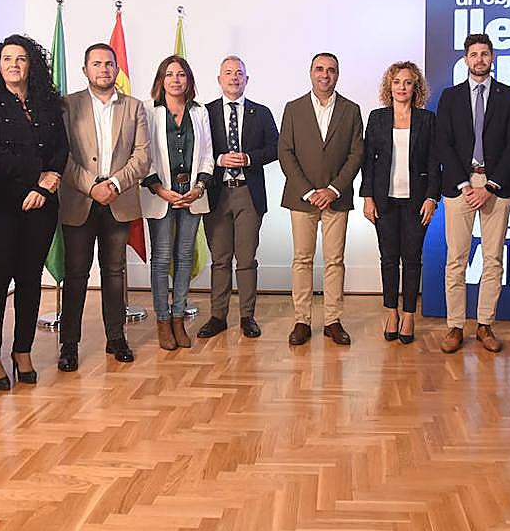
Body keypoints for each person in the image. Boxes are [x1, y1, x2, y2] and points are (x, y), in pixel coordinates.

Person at [0, 34, 68, 390]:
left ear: (32, 65)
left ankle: (22, 350)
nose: (14, 64)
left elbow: (61, 148)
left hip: (42, 204)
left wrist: (48, 183)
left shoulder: (48, 103)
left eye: (21, 58)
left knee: (29, 279)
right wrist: (32, 182)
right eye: (7, 58)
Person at [58, 43, 150, 370]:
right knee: (76, 274)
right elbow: (61, 157)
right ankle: (69, 345)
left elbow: (142, 156)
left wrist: (113, 184)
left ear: (116, 69)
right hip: (79, 201)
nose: (104, 69)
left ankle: (116, 338)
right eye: (96, 64)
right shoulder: (67, 106)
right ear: (85, 70)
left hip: (118, 200)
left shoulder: (135, 107)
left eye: (109, 64)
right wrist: (90, 186)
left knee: (114, 273)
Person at [435, 33, 510, 354]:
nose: (479, 59)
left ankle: (485, 324)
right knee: (456, 259)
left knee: (493, 259)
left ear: (492, 57)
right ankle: (455, 326)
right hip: (459, 187)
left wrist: (489, 185)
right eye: (474, 54)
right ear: (466, 59)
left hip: (497, 185)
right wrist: (465, 184)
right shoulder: (450, 96)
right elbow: (443, 142)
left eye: (485, 53)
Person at [278, 53, 364, 346]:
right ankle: (302, 320)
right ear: (310, 72)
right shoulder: (293, 108)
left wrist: (333, 189)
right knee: (302, 259)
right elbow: (285, 153)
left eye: (331, 70)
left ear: (337, 75)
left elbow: (356, 154)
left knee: (334, 260)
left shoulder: (351, 110)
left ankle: (332, 321)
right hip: (302, 198)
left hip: (336, 199)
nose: (325, 74)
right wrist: (310, 191)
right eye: (319, 69)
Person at [360, 61, 441, 344]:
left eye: (408, 82)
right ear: (389, 86)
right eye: (397, 82)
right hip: (384, 200)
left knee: (412, 258)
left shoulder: (427, 119)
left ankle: (409, 315)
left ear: (415, 87)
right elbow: (367, 161)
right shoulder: (377, 117)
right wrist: (368, 197)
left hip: (417, 200)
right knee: (388, 258)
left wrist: (432, 197)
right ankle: (391, 312)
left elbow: (434, 162)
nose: (402, 87)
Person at [199, 56, 279, 340]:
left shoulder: (262, 112)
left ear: (247, 79)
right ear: (219, 79)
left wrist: (248, 158)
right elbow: (199, 149)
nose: (234, 77)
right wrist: (220, 159)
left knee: (246, 259)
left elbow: (276, 148)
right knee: (220, 259)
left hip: (248, 193)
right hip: (217, 194)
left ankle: (247, 316)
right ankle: (217, 316)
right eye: (228, 73)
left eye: (239, 73)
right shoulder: (204, 113)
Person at [140, 55, 214, 351]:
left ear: (189, 80)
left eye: (181, 74)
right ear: (161, 80)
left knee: (184, 257)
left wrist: (199, 187)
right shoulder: (148, 111)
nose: (175, 79)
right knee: (161, 259)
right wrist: (160, 189)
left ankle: (178, 317)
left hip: (191, 193)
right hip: (161, 193)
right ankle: (162, 320)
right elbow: (142, 153)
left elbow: (208, 152)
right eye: (169, 74)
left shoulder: (199, 111)